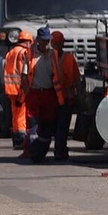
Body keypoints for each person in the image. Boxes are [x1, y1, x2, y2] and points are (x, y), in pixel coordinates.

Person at [21, 26, 68, 163]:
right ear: (38, 40)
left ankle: (40, 152)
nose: (47, 43)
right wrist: (27, 92)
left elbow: (56, 74)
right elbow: (24, 76)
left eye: (48, 41)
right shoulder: (30, 54)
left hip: (49, 94)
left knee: (48, 125)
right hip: (34, 93)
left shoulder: (53, 54)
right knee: (33, 125)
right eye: (44, 41)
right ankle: (32, 151)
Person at [48, 31, 81, 161]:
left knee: (59, 126)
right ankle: (60, 150)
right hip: (59, 98)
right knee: (61, 126)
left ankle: (59, 150)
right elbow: (77, 79)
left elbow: (77, 78)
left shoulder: (51, 58)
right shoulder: (64, 58)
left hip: (61, 97)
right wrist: (79, 94)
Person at [1, 30, 34, 150]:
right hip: (20, 88)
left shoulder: (10, 53)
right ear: (29, 42)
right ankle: (21, 138)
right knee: (22, 115)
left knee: (15, 114)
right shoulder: (24, 53)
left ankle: (17, 138)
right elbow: (24, 73)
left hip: (10, 89)